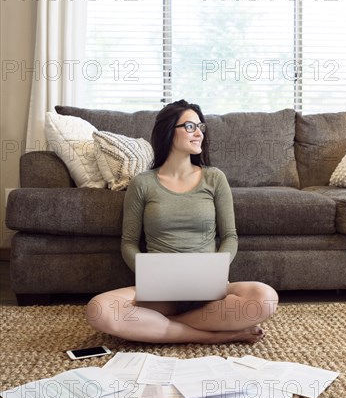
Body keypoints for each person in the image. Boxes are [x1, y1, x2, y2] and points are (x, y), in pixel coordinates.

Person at [86, 99, 278, 344]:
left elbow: (230, 236)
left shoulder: (214, 178)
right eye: (189, 127)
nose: (199, 133)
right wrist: (150, 275)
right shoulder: (143, 183)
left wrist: (215, 270)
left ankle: (160, 327)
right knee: (98, 310)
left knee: (265, 298)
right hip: (158, 290)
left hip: (208, 288)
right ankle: (215, 336)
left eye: (201, 127)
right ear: (168, 132)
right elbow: (129, 242)